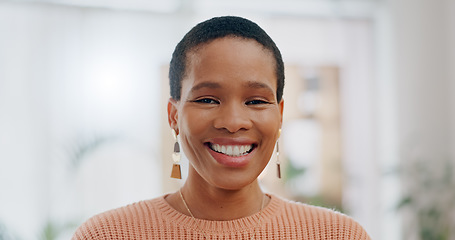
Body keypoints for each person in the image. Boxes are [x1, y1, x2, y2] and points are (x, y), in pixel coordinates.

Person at [72, 16, 371, 240]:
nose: (233, 122)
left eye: (255, 101)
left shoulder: (338, 235)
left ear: (279, 115)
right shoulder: (106, 235)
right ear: (174, 115)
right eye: (207, 99)